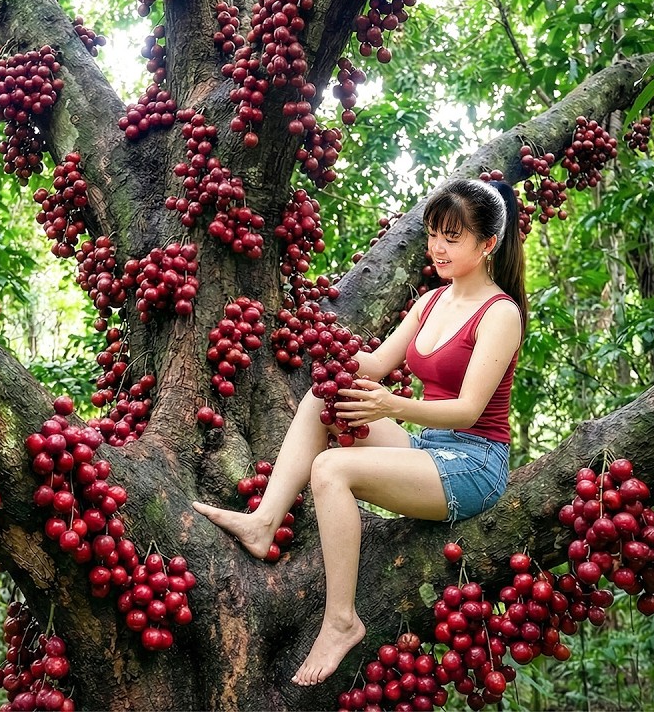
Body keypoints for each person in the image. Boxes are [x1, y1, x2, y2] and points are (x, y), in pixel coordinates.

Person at [192, 178, 528, 686]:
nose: (437, 246)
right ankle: (263, 523)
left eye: (452, 237)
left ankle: (341, 620)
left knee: (332, 469)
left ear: (487, 245)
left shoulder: (500, 314)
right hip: (424, 449)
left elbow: (466, 410)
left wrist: (393, 404)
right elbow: (372, 364)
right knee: (321, 401)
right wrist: (311, 332)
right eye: (434, 233)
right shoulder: (430, 302)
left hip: (474, 464)